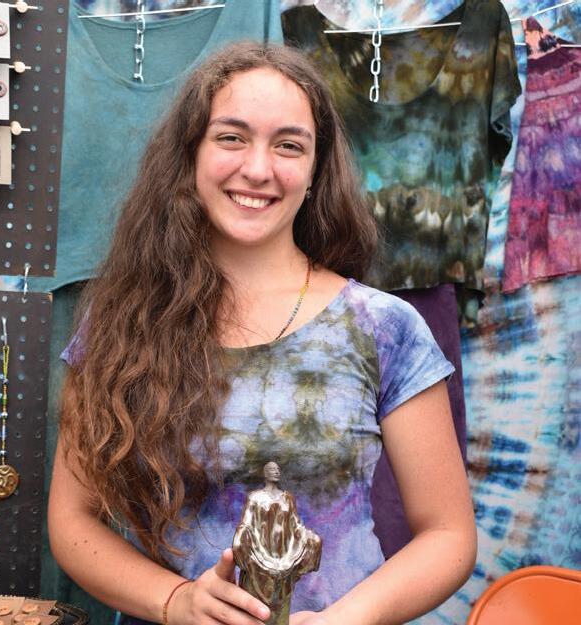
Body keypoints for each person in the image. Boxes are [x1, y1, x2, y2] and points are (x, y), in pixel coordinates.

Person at [48, 42, 477, 625]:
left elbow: (448, 535)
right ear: (190, 154)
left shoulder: (383, 326)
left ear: (316, 171)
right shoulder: (119, 322)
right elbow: (73, 522)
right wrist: (175, 600)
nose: (258, 168)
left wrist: (343, 620)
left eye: (288, 145)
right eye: (231, 137)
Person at [233, 462, 322, 624]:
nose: (276, 472)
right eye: (272, 469)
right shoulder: (255, 498)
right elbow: (246, 524)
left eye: (278, 469)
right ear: (265, 473)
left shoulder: (287, 498)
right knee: (255, 607)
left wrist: (312, 539)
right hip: (260, 552)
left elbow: (296, 524)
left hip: (283, 555)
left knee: (280, 606)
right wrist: (240, 538)